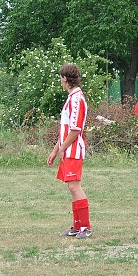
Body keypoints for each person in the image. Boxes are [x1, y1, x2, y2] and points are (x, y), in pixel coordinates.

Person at [46, 63, 92, 239]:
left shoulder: (77, 99)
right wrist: (54, 151)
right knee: (71, 188)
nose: (60, 81)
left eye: (60, 78)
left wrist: (63, 148)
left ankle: (85, 227)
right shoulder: (72, 97)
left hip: (73, 150)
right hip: (67, 150)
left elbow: (75, 129)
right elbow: (65, 129)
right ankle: (77, 226)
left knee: (75, 186)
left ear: (65, 79)